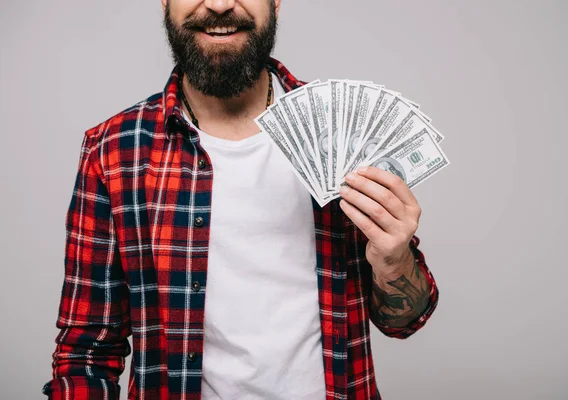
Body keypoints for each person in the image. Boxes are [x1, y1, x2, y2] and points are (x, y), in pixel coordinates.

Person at [42, 1, 439, 399]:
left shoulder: (342, 137)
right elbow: (86, 354)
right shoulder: (113, 152)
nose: (218, 4)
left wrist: (394, 261)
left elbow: (405, 320)